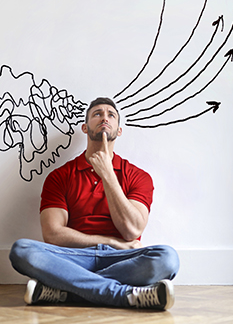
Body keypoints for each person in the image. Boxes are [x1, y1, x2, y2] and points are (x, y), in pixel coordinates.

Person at [9, 97, 179, 310]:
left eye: (111, 115)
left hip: (123, 258)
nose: (104, 118)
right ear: (85, 127)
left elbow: (132, 230)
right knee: (22, 250)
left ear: (119, 130)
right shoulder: (59, 176)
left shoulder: (138, 176)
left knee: (167, 259)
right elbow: (52, 234)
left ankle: (67, 290)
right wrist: (112, 241)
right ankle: (123, 294)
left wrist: (107, 173)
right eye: (97, 114)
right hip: (75, 257)